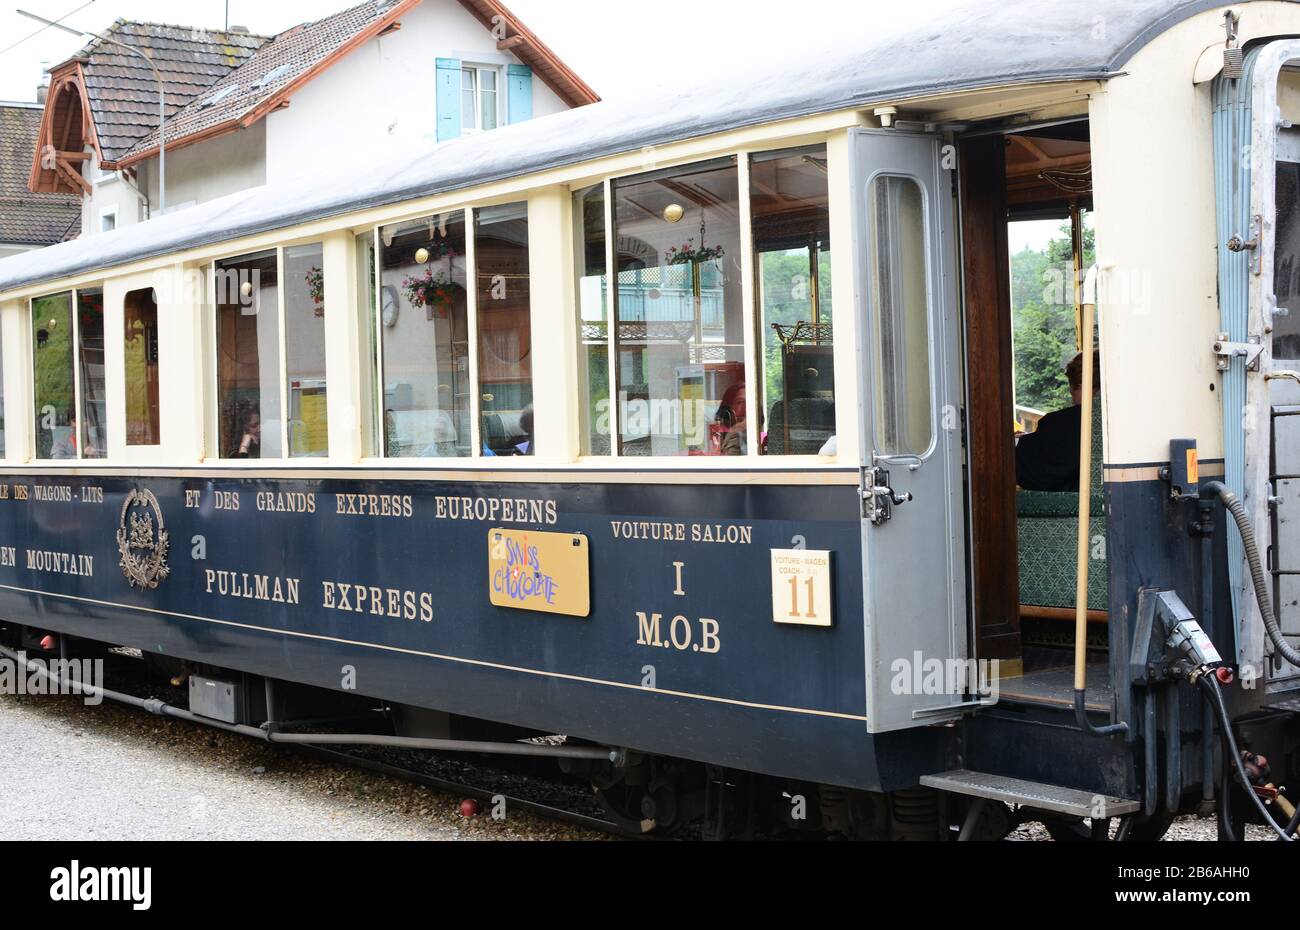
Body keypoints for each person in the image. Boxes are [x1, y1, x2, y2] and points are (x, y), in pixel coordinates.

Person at [1014, 349, 1099, 491]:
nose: (1071, 395)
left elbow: (1031, 472)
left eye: (1071, 388)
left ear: (1080, 387)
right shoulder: (1120, 420)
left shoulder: (1061, 425)